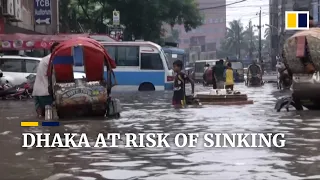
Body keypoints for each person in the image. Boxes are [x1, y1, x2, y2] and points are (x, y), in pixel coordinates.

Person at [32, 42, 60, 117]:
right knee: (49, 119)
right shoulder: (53, 59)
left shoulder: (45, 59)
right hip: (45, 93)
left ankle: (30, 125)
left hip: (37, 92)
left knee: (40, 118)